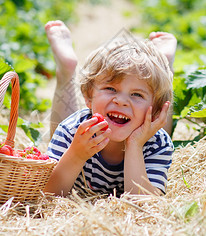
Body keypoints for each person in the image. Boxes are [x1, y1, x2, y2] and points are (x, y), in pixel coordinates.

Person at [43, 20, 177, 197]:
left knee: (158, 104)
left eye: (137, 94)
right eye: (110, 89)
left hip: (148, 129)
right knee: (63, 124)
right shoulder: (70, 130)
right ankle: (66, 72)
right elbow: (48, 194)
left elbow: (144, 204)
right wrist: (76, 154)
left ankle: (165, 64)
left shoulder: (157, 144)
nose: (121, 101)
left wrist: (135, 145)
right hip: (74, 138)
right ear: (89, 96)